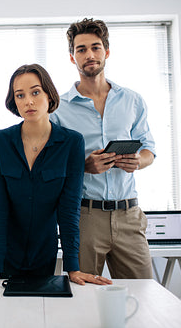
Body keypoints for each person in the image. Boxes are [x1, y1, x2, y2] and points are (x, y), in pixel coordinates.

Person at [0, 64, 111, 286]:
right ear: (14, 102)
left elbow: (69, 211)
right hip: (8, 252)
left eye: (35, 92)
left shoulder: (72, 143)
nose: (28, 101)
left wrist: (73, 268)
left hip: (46, 250)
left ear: (49, 95)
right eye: (20, 95)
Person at [50, 18, 156, 279]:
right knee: (84, 297)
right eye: (81, 49)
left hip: (129, 215)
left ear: (106, 52)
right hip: (85, 217)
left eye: (96, 47)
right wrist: (83, 166)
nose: (89, 55)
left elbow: (149, 149)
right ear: (72, 57)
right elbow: (49, 164)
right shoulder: (58, 109)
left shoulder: (132, 100)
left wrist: (137, 161)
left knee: (143, 293)